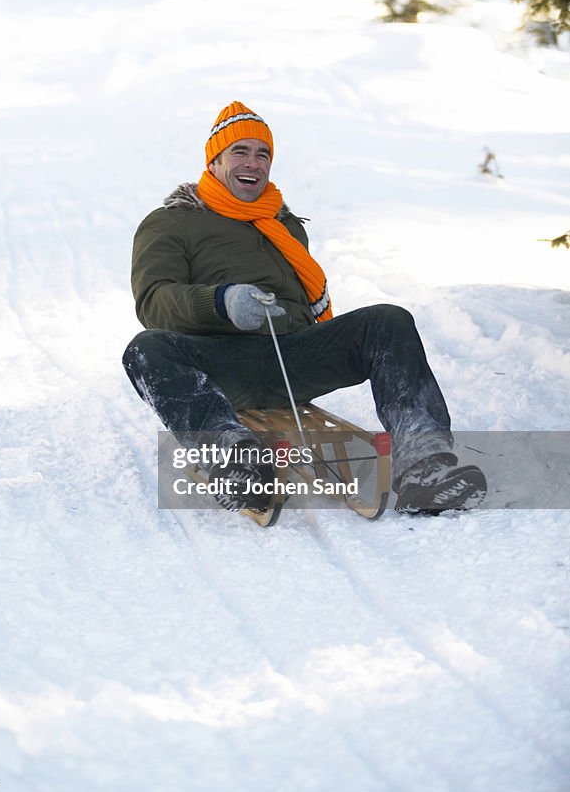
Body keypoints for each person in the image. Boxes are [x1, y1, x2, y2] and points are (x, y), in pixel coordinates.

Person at [123, 100, 487, 518]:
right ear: (216, 159)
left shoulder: (284, 225)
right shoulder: (172, 222)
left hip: (291, 355)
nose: (253, 164)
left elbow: (307, 304)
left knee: (387, 320)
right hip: (220, 362)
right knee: (145, 348)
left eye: (263, 155)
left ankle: (425, 467)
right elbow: (153, 301)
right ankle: (235, 461)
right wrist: (221, 302)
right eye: (240, 152)